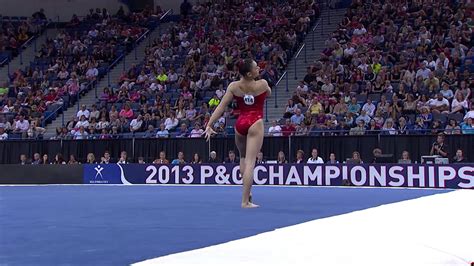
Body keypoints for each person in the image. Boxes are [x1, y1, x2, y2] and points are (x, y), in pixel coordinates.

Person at [203, 59, 271, 208]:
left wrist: (209, 124)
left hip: (240, 123)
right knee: (250, 162)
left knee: (243, 157)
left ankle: (247, 192)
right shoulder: (263, 84)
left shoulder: (234, 87)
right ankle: (245, 201)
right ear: (249, 73)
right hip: (256, 122)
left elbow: (221, 107)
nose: (259, 68)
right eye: (255, 67)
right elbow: (269, 94)